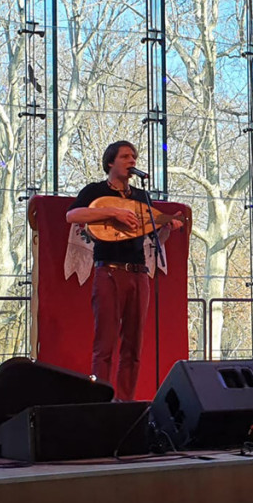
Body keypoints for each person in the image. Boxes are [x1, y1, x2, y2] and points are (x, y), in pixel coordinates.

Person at [66, 141, 183, 401]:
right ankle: (100, 402)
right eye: (125, 156)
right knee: (105, 344)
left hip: (139, 274)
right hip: (109, 271)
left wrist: (166, 228)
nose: (132, 161)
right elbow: (71, 216)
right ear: (111, 162)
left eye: (134, 157)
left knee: (133, 346)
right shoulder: (95, 191)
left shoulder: (141, 197)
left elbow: (154, 240)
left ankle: (125, 402)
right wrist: (113, 212)